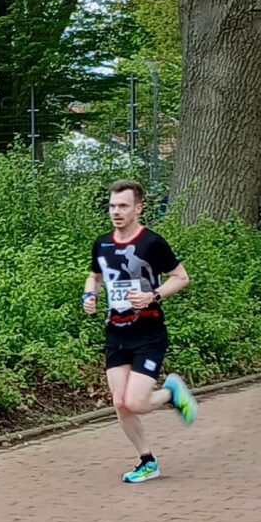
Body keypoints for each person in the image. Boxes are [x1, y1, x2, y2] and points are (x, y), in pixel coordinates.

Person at [83, 178, 197, 484]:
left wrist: (153, 296)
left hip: (148, 333)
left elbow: (181, 277)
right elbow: (94, 276)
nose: (116, 212)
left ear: (138, 208)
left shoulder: (152, 243)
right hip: (116, 334)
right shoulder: (102, 244)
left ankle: (171, 393)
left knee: (135, 402)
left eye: (123, 206)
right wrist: (89, 296)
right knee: (120, 402)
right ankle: (147, 461)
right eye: (112, 206)